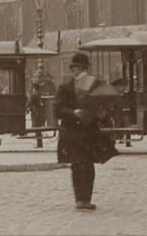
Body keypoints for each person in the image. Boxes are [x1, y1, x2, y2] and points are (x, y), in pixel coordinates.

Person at [53, 52, 119, 211]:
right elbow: (58, 109)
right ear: (73, 70)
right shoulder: (64, 89)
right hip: (73, 133)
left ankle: (86, 199)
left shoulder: (95, 87)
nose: (78, 71)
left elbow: (105, 109)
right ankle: (80, 200)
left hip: (89, 133)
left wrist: (102, 113)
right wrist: (74, 112)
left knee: (88, 166)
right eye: (76, 69)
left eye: (82, 69)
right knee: (78, 165)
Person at [26, 82, 46, 149]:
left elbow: (29, 103)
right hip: (41, 113)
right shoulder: (40, 94)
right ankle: (40, 143)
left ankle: (39, 144)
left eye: (32, 88)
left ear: (34, 88)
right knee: (39, 129)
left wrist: (26, 107)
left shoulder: (33, 95)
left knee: (36, 129)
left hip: (35, 113)